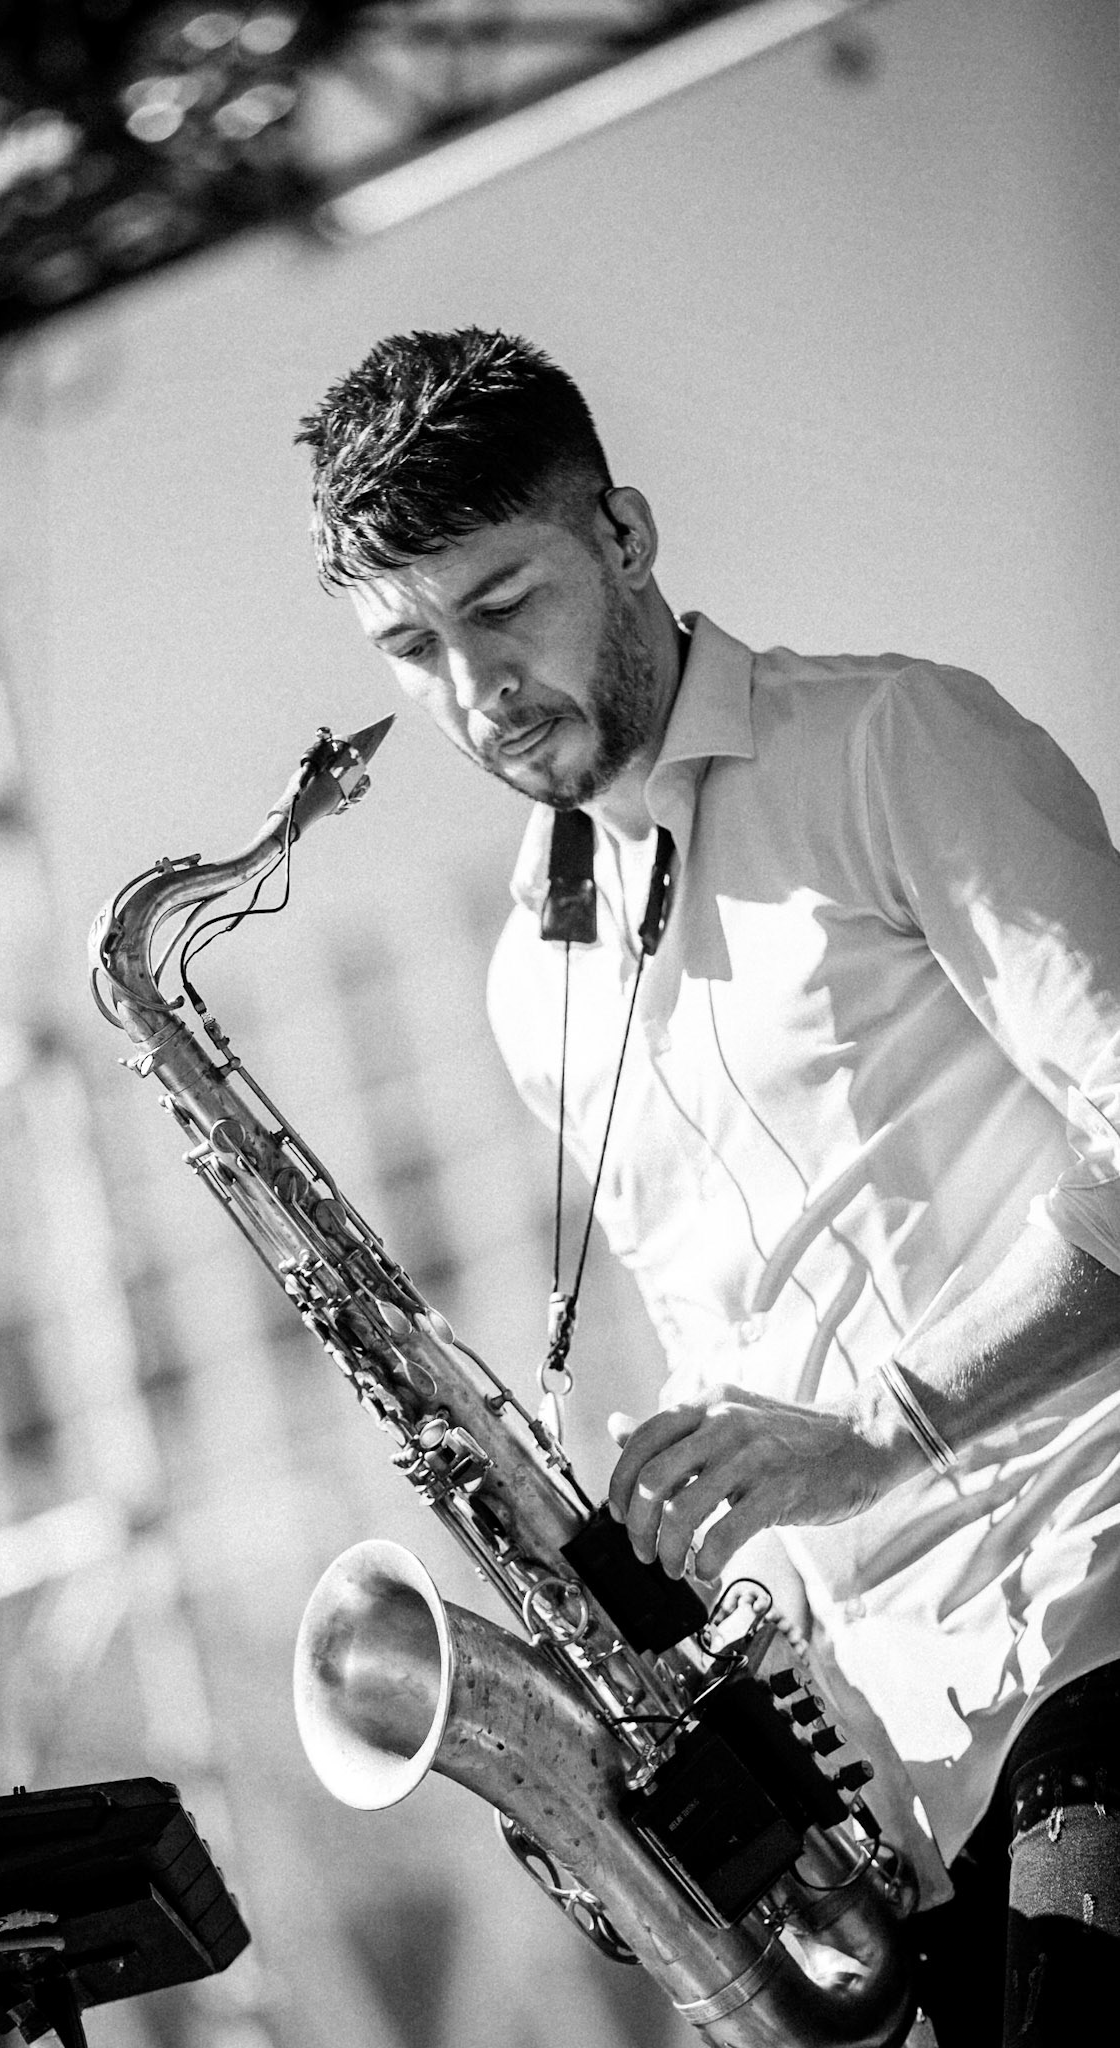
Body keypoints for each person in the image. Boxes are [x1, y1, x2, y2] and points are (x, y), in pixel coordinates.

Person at [295, 327, 1120, 2044]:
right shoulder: (537, 970)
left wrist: (883, 1433)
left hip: (1099, 1619)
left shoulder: (895, 744)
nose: (472, 692)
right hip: (920, 1772)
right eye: (409, 645)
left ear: (626, 534)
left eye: (500, 604)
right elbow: (737, 1340)